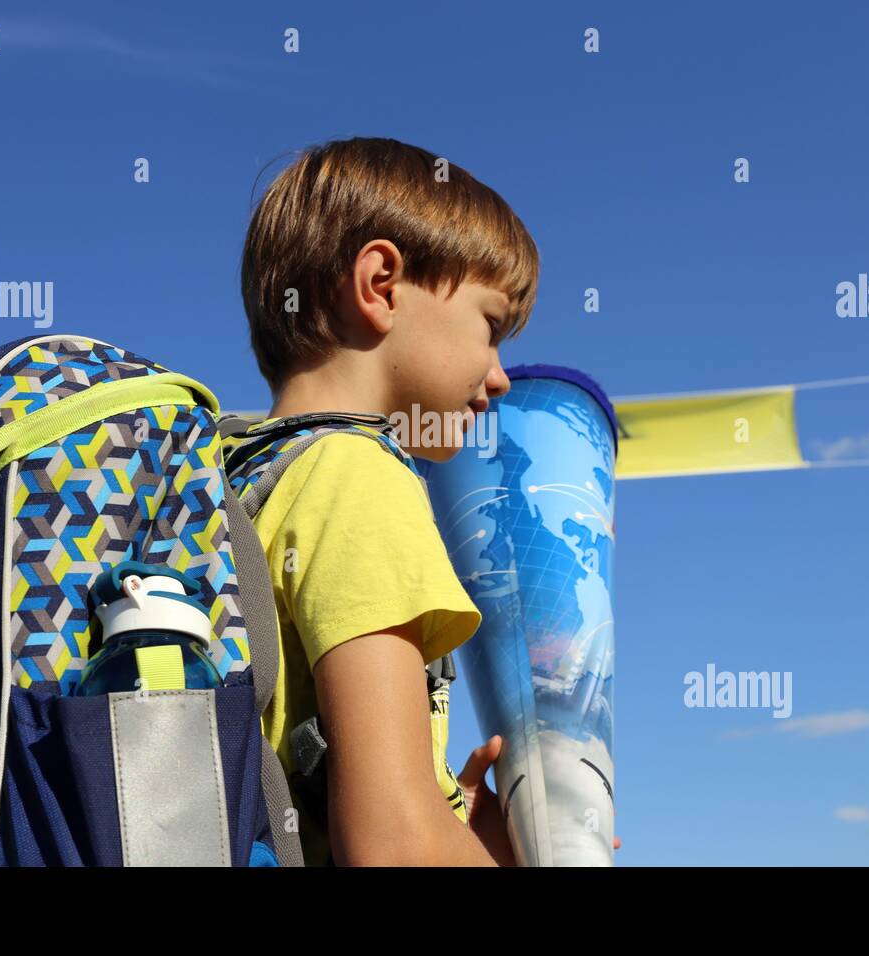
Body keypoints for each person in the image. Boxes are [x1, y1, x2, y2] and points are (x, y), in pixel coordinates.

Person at [236, 136, 617, 866]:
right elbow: (391, 846)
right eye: (491, 327)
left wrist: (464, 842)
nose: (501, 376)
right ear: (379, 284)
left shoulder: (257, 478)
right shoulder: (362, 479)